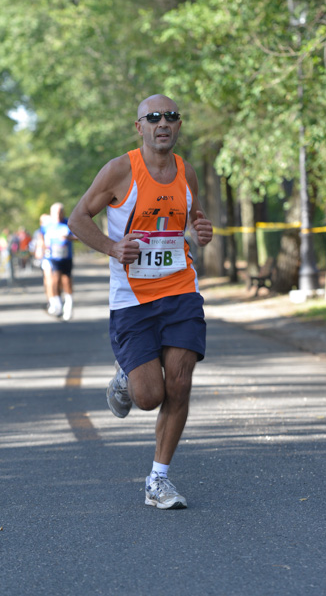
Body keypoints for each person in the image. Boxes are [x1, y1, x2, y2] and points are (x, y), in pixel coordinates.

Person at [68, 94, 213, 509]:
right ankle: (125, 375)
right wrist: (114, 248)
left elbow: (194, 219)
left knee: (180, 383)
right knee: (149, 396)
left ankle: (158, 480)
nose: (162, 123)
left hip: (180, 289)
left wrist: (202, 232)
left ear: (178, 126)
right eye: (153, 117)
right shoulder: (120, 170)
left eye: (170, 117)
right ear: (140, 127)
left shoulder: (187, 172)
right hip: (132, 297)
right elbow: (78, 219)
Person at [44, 203, 75, 321]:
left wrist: (68, 238)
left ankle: (69, 305)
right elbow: (42, 238)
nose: (58, 215)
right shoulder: (47, 226)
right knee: (55, 279)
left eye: (60, 212)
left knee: (66, 280)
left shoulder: (70, 223)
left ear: (63, 212)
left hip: (66, 257)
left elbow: (79, 237)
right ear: (51, 214)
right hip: (53, 257)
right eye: (55, 213)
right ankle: (57, 304)